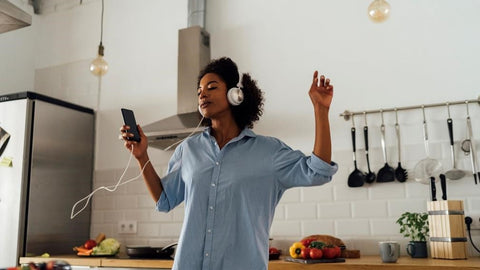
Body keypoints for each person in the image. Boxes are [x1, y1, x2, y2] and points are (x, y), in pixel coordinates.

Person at [120, 57, 338, 270]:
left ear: (236, 94)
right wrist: (142, 156)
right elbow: (164, 199)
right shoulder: (188, 150)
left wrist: (321, 110)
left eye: (211, 87)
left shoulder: (268, 151)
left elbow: (318, 171)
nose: (202, 94)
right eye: (199, 91)